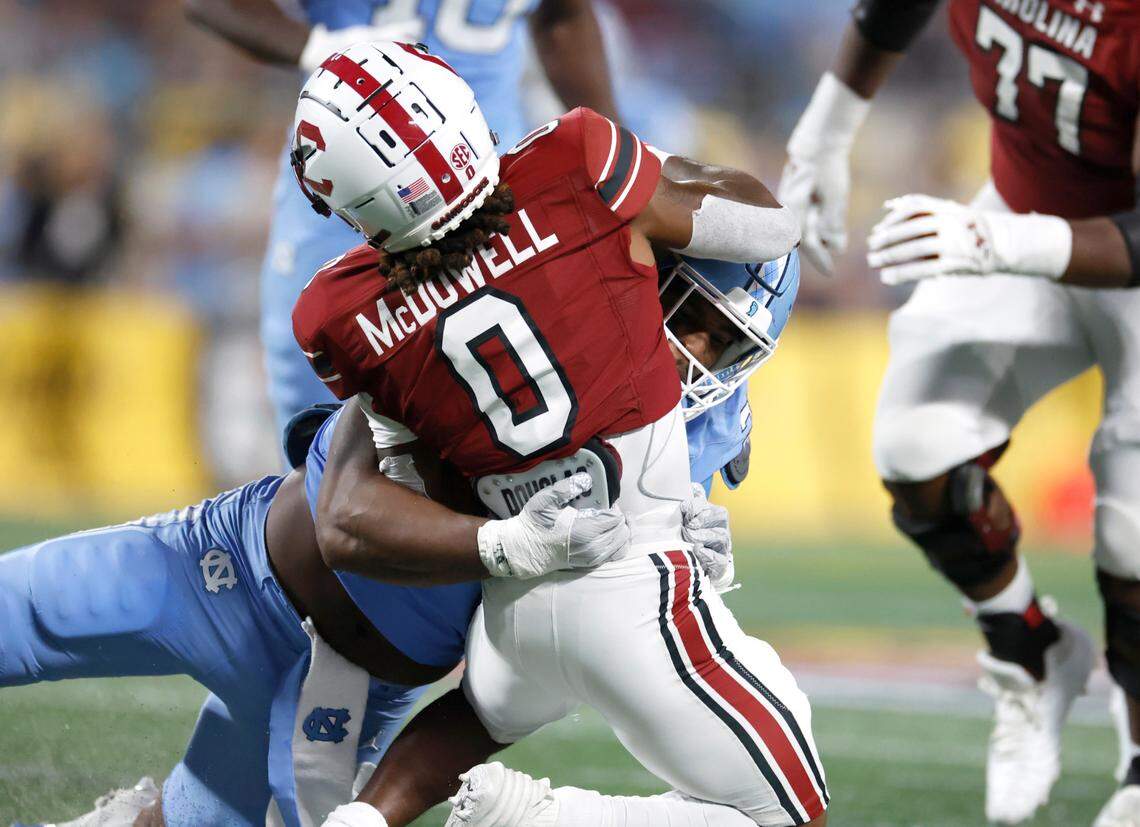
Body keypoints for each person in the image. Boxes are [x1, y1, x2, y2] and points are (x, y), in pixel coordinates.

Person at [289, 40, 822, 827]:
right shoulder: (574, 165)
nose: (700, 356)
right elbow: (767, 226)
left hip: (511, 602)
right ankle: (530, 813)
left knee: (476, 715)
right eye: (695, 321)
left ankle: (360, 819)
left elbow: (422, 469)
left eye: (726, 346)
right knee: (793, 809)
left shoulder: (334, 310)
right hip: (624, 584)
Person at [778, 1, 1140, 824]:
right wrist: (826, 130)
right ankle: (1031, 650)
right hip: (1021, 207)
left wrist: (994, 243)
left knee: (1132, 532)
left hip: (1095, 247)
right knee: (917, 443)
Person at [181, 0, 619, 445]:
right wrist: (315, 46)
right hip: (353, 207)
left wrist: (610, 148)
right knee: (326, 439)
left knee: (541, 414)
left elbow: (562, 17)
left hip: (489, 191)